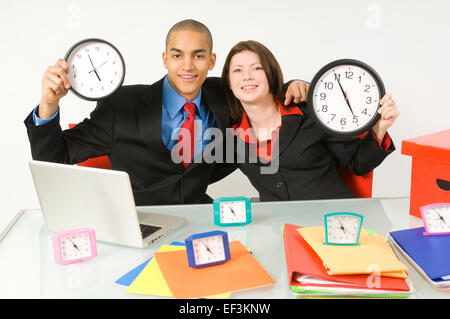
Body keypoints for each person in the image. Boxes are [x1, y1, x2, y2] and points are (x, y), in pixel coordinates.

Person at [24, 20, 309, 206]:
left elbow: (256, 88)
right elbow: (53, 157)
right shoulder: (122, 106)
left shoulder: (224, 94)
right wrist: (48, 104)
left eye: (198, 56)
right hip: (140, 223)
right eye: (177, 55)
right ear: (165, 59)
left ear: (211, 61)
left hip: (202, 219)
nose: (187, 66)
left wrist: (295, 85)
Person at [221, 40, 399, 201]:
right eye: (237, 70)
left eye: (257, 68)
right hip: (281, 230)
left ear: (271, 73)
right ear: (229, 82)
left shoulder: (310, 112)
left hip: (335, 223)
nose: (247, 76)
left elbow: (358, 164)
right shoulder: (231, 137)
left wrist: (379, 128)